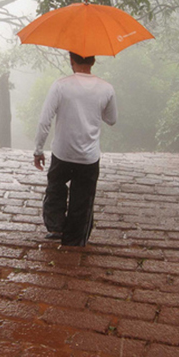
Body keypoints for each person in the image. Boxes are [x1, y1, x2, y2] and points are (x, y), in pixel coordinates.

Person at [33, 52, 117, 246]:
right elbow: (111, 119)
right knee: (83, 198)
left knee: (55, 189)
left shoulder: (61, 85)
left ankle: (55, 227)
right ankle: (75, 238)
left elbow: (44, 121)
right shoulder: (106, 88)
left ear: (71, 60)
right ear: (94, 60)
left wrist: (38, 150)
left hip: (62, 152)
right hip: (88, 157)